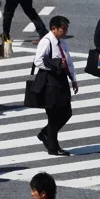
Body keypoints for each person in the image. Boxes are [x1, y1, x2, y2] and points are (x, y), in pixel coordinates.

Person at [33, 16, 78, 156]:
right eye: (63, 29)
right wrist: (55, 65)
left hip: (61, 80)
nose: (65, 32)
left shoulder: (62, 42)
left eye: (66, 29)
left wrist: (73, 79)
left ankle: (45, 133)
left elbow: (68, 61)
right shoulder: (46, 41)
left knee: (66, 112)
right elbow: (38, 61)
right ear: (54, 28)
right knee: (53, 115)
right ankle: (53, 147)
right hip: (50, 81)